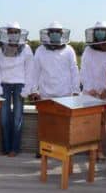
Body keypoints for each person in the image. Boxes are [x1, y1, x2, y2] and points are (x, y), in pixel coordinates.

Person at [30, 21, 80, 158]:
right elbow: (35, 71)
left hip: (64, 94)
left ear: (61, 34)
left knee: (63, 125)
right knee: (45, 124)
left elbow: (74, 70)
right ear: (48, 34)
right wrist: (34, 90)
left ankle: (62, 150)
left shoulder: (69, 50)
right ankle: (43, 149)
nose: (55, 35)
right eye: (52, 32)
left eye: (57, 32)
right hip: (45, 93)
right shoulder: (40, 50)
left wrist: (76, 90)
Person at [0, 22, 35, 157]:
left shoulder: (27, 49)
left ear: (19, 34)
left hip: (20, 85)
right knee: (4, 117)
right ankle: (5, 147)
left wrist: (27, 89)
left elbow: (30, 70)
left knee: (17, 118)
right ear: (7, 33)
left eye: (15, 32)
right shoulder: (1, 49)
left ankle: (15, 148)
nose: (13, 34)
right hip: (4, 84)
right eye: (10, 31)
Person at [80, 21, 106, 161]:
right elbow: (83, 71)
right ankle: (90, 149)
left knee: (103, 122)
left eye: (103, 31)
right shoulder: (88, 51)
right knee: (89, 122)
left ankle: (100, 150)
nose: (100, 33)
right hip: (90, 94)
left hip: (105, 95)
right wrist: (90, 89)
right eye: (98, 31)